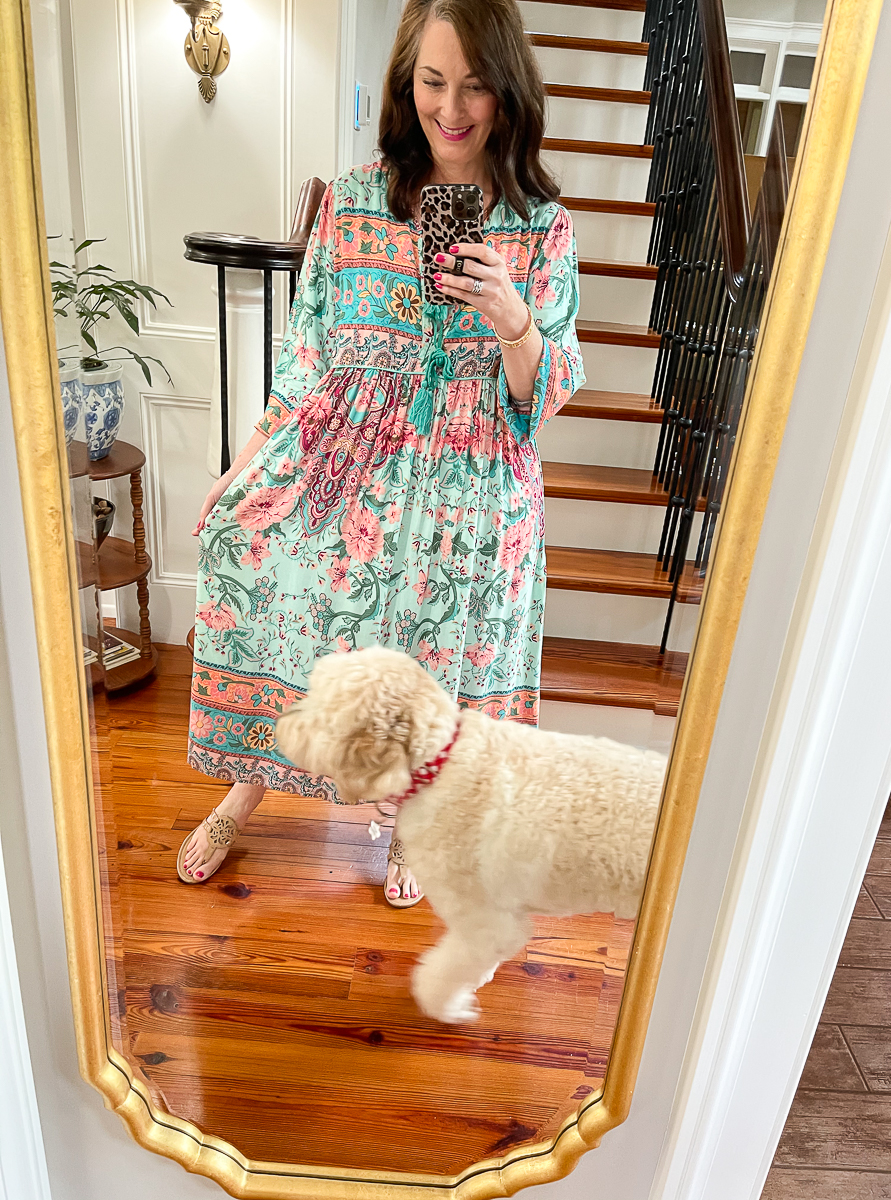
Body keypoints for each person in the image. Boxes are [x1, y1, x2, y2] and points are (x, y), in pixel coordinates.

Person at [181, 0, 585, 905]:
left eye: (476, 86)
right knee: (273, 579)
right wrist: (245, 464)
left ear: (507, 92)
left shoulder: (543, 225)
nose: (452, 109)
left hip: (473, 478)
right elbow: (309, 357)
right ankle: (247, 788)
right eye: (433, 81)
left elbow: (546, 395)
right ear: (408, 84)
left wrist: (511, 314)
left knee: (434, 651)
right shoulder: (357, 201)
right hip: (352, 460)